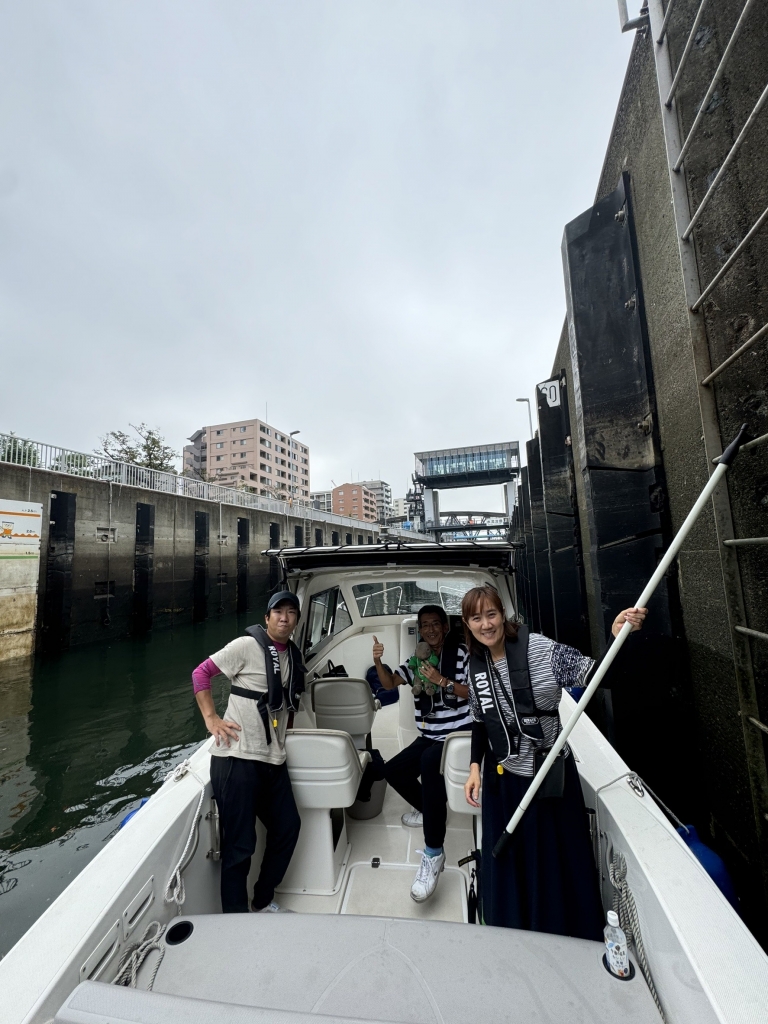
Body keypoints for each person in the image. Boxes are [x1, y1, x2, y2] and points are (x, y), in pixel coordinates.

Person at [462, 584, 646, 938]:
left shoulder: (540, 650)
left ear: (503, 615)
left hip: (547, 779)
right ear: (467, 625)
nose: (486, 625)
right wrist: (474, 768)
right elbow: (479, 721)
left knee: (552, 866)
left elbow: (599, 677)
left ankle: (562, 934)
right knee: (510, 866)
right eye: (476, 618)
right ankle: (512, 931)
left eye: (491, 614)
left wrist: (617, 636)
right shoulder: (476, 664)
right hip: (504, 783)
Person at [192, 591, 305, 914]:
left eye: (291, 612)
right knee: (240, 848)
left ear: (296, 620)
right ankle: (236, 920)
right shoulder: (246, 646)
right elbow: (201, 674)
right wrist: (212, 718)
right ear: (267, 618)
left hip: (273, 761)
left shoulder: (294, 657)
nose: (284, 618)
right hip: (237, 760)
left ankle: (263, 899)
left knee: (288, 828)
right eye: (278, 612)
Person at [372, 605, 472, 902]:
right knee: (392, 771)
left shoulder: (463, 654)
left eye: (434, 624)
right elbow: (390, 683)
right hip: (429, 734)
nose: (430, 629)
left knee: (429, 763)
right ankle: (431, 811)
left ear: (445, 627)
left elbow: (474, 692)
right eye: (424, 625)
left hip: (456, 734)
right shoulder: (416, 660)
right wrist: (378, 661)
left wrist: (442, 681)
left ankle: (433, 853)